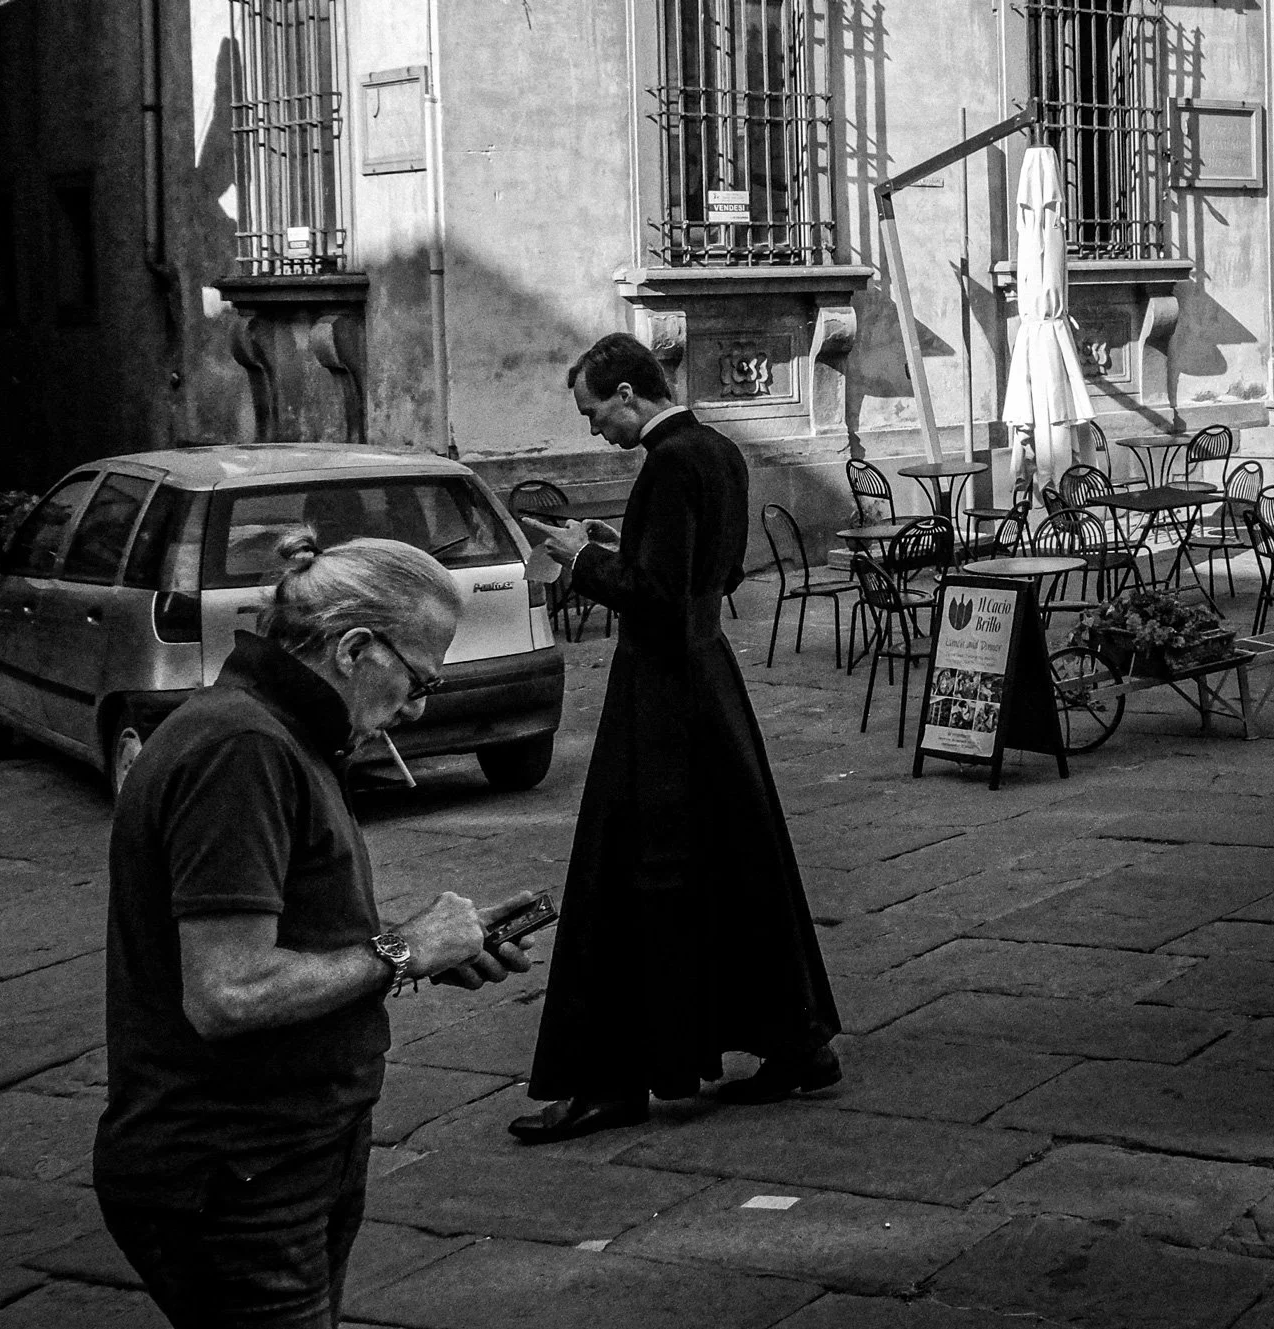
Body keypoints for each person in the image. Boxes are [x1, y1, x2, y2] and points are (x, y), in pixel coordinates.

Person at [94, 530, 534, 1328]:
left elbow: (287, 937)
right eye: (418, 679)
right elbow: (227, 992)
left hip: (285, 1154)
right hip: (237, 1173)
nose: (418, 706)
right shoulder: (243, 748)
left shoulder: (280, 733)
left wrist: (426, 947)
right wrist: (404, 948)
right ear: (355, 648)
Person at [508, 332, 841, 1144]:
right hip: (710, 681)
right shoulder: (720, 451)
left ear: (628, 392)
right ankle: (796, 1041)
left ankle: (610, 1082)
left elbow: (656, 597)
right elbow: (714, 575)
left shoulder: (667, 463)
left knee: (627, 872)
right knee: (737, 859)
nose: (595, 430)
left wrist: (580, 559)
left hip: (660, 693)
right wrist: (622, 547)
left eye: (595, 412)